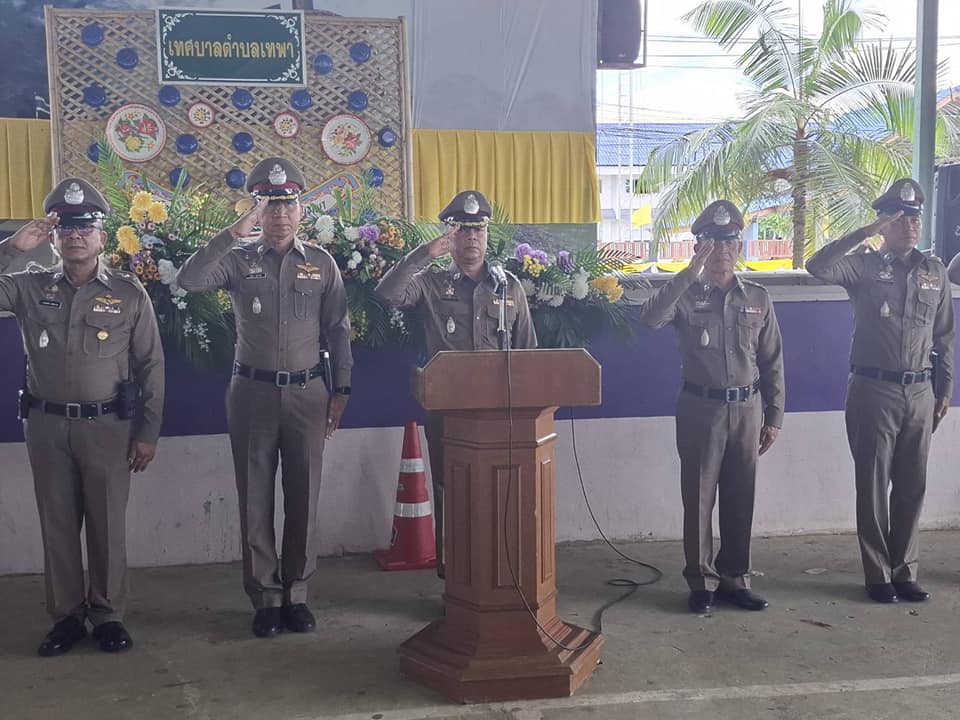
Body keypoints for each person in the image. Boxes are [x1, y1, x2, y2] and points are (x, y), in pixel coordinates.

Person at [177, 157, 353, 637]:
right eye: (270, 205)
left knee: (304, 496)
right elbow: (189, 280)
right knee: (254, 497)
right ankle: (266, 598)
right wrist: (232, 234)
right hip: (251, 392)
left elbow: (338, 330)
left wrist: (341, 389)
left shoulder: (321, 263)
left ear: (301, 209)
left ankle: (297, 593)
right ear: (257, 210)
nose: (280, 215)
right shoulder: (238, 260)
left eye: (288, 204)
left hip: (308, 393)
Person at [0, 177, 164, 655]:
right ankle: (67, 618)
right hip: (47, 426)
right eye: (66, 228)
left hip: (108, 428)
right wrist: (11, 248)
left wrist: (148, 431)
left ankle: (108, 615)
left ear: (101, 237)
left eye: (84, 227)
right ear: (52, 237)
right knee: (58, 524)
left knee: (107, 524)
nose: (75, 236)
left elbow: (151, 365)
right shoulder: (29, 287)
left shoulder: (128, 294)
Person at [807, 178, 953, 604]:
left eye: (915, 218)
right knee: (872, 486)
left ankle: (905, 571)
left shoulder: (934, 272)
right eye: (900, 217)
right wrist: (865, 232)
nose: (910, 225)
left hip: (920, 392)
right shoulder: (864, 267)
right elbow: (818, 265)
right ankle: (878, 573)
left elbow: (944, 336)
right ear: (885, 222)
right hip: (873, 390)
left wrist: (944, 388)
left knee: (912, 485)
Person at [375, 190, 537, 577]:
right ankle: (456, 576)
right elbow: (387, 293)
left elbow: (529, 352)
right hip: (449, 411)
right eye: (463, 230)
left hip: (500, 414)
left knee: (500, 491)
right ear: (450, 236)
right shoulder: (431, 283)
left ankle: (501, 571)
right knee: (452, 491)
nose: (472, 238)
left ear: (487, 234)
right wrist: (424, 254)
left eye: (478, 230)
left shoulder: (508, 287)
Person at [638, 200, 784, 614]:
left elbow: (772, 360)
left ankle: (736, 578)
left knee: (741, 497)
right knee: (699, 498)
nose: (722, 249)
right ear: (699, 246)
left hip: (747, 408)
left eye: (729, 241)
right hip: (700, 409)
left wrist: (774, 415)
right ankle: (701, 581)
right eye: (712, 242)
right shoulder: (686, 294)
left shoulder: (757, 297)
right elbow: (650, 318)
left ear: (739, 245)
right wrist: (688, 273)